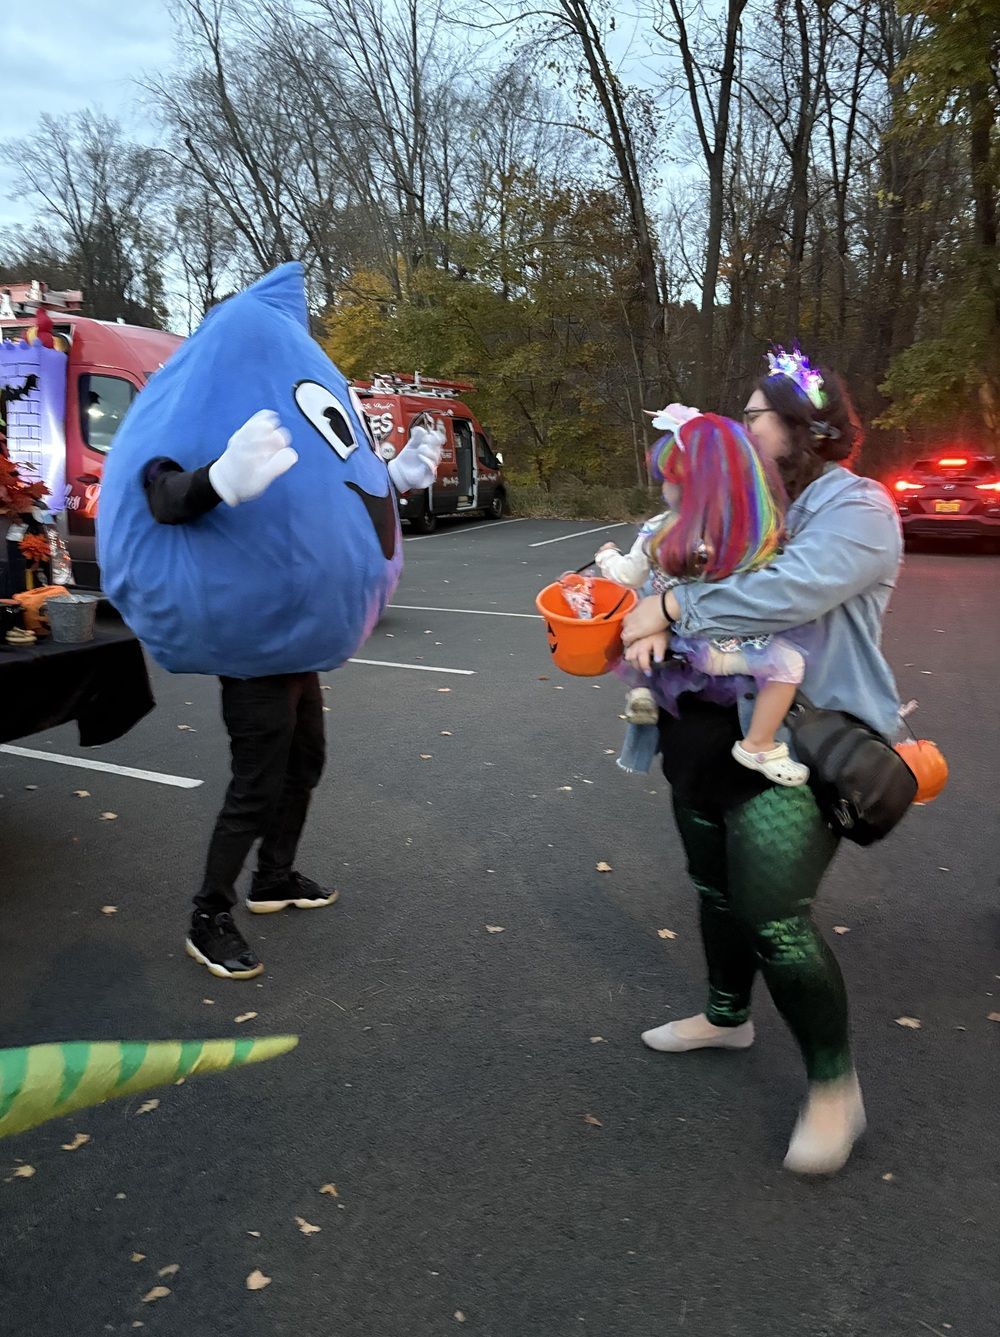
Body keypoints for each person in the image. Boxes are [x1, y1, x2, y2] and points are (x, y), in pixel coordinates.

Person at [98, 264, 443, 981]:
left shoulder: (276, 409)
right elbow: (161, 493)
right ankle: (208, 913)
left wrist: (397, 476)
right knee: (256, 779)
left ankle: (274, 877)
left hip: (294, 645)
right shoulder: (185, 421)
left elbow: (339, 474)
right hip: (251, 649)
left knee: (305, 758)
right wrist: (218, 479)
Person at [621, 348, 903, 1175]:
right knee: (712, 889)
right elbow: (654, 554)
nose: (739, 428)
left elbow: (787, 592)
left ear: (803, 430)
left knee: (775, 916)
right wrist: (618, 597)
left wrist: (668, 602)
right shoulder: (727, 499)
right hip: (696, 734)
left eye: (753, 415)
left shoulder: (857, 508)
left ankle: (833, 1090)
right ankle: (724, 1014)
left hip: (797, 745)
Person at [600, 411, 809, 785]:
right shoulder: (736, 537)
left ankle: (644, 690)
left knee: (647, 644)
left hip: (687, 647)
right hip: (718, 650)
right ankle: (759, 742)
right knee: (789, 664)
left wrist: (605, 558)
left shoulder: (657, 532)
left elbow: (630, 577)